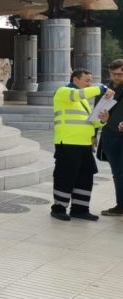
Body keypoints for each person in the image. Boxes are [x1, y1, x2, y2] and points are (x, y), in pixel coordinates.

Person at [50, 68, 112, 221]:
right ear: (75, 80)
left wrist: (103, 120)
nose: (89, 84)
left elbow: (92, 122)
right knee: (65, 176)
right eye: (87, 80)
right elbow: (77, 94)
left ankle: (80, 209)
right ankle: (58, 208)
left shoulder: (83, 101)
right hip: (68, 143)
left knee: (85, 176)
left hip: (84, 144)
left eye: (91, 81)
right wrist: (101, 88)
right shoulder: (63, 91)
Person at [99, 59, 123, 216]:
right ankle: (120, 205)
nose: (117, 77)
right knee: (118, 172)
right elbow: (98, 116)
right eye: (114, 74)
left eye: (120, 74)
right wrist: (103, 119)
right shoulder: (104, 91)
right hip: (110, 136)